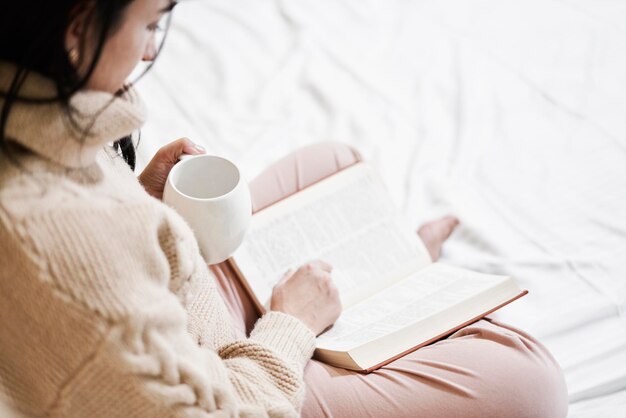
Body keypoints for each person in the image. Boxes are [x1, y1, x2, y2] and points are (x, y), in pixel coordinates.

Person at [0, 1, 568, 417]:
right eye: (150, 23)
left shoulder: (30, 92)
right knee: (530, 380)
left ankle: (381, 296)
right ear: (75, 31)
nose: (151, 48)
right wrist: (289, 329)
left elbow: (106, 242)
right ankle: (358, 334)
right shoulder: (57, 246)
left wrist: (143, 198)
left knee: (336, 163)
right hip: (233, 383)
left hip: (180, 303)